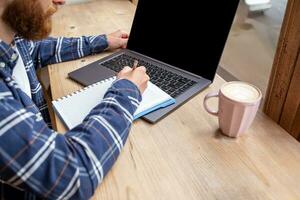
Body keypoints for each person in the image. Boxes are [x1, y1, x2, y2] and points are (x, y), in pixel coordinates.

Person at [0, 0, 149, 199]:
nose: (61, 0)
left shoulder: (11, 39)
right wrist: (127, 91)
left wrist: (102, 41)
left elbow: (34, 49)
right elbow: (72, 174)